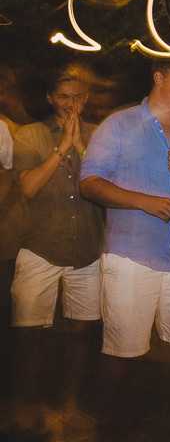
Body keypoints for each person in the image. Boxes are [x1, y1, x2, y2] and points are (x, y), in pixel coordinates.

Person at [79, 54, 170, 439]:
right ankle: (110, 426)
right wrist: (142, 201)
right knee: (122, 350)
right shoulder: (120, 125)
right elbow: (90, 182)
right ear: (159, 78)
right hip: (133, 257)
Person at [6, 67, 103, 433]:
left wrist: (79, 144)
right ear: (50, 98)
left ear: (87, 99)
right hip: (39, 246)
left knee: (80, 332)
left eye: (78, 97)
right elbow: (29, 186)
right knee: (29, 333)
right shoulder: (30, 135)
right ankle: (27, 404)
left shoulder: (98, 136)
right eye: (64, 97)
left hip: (87, 249)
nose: (71, 104)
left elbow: (104, 182)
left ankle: (69, 404)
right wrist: (62, 146)